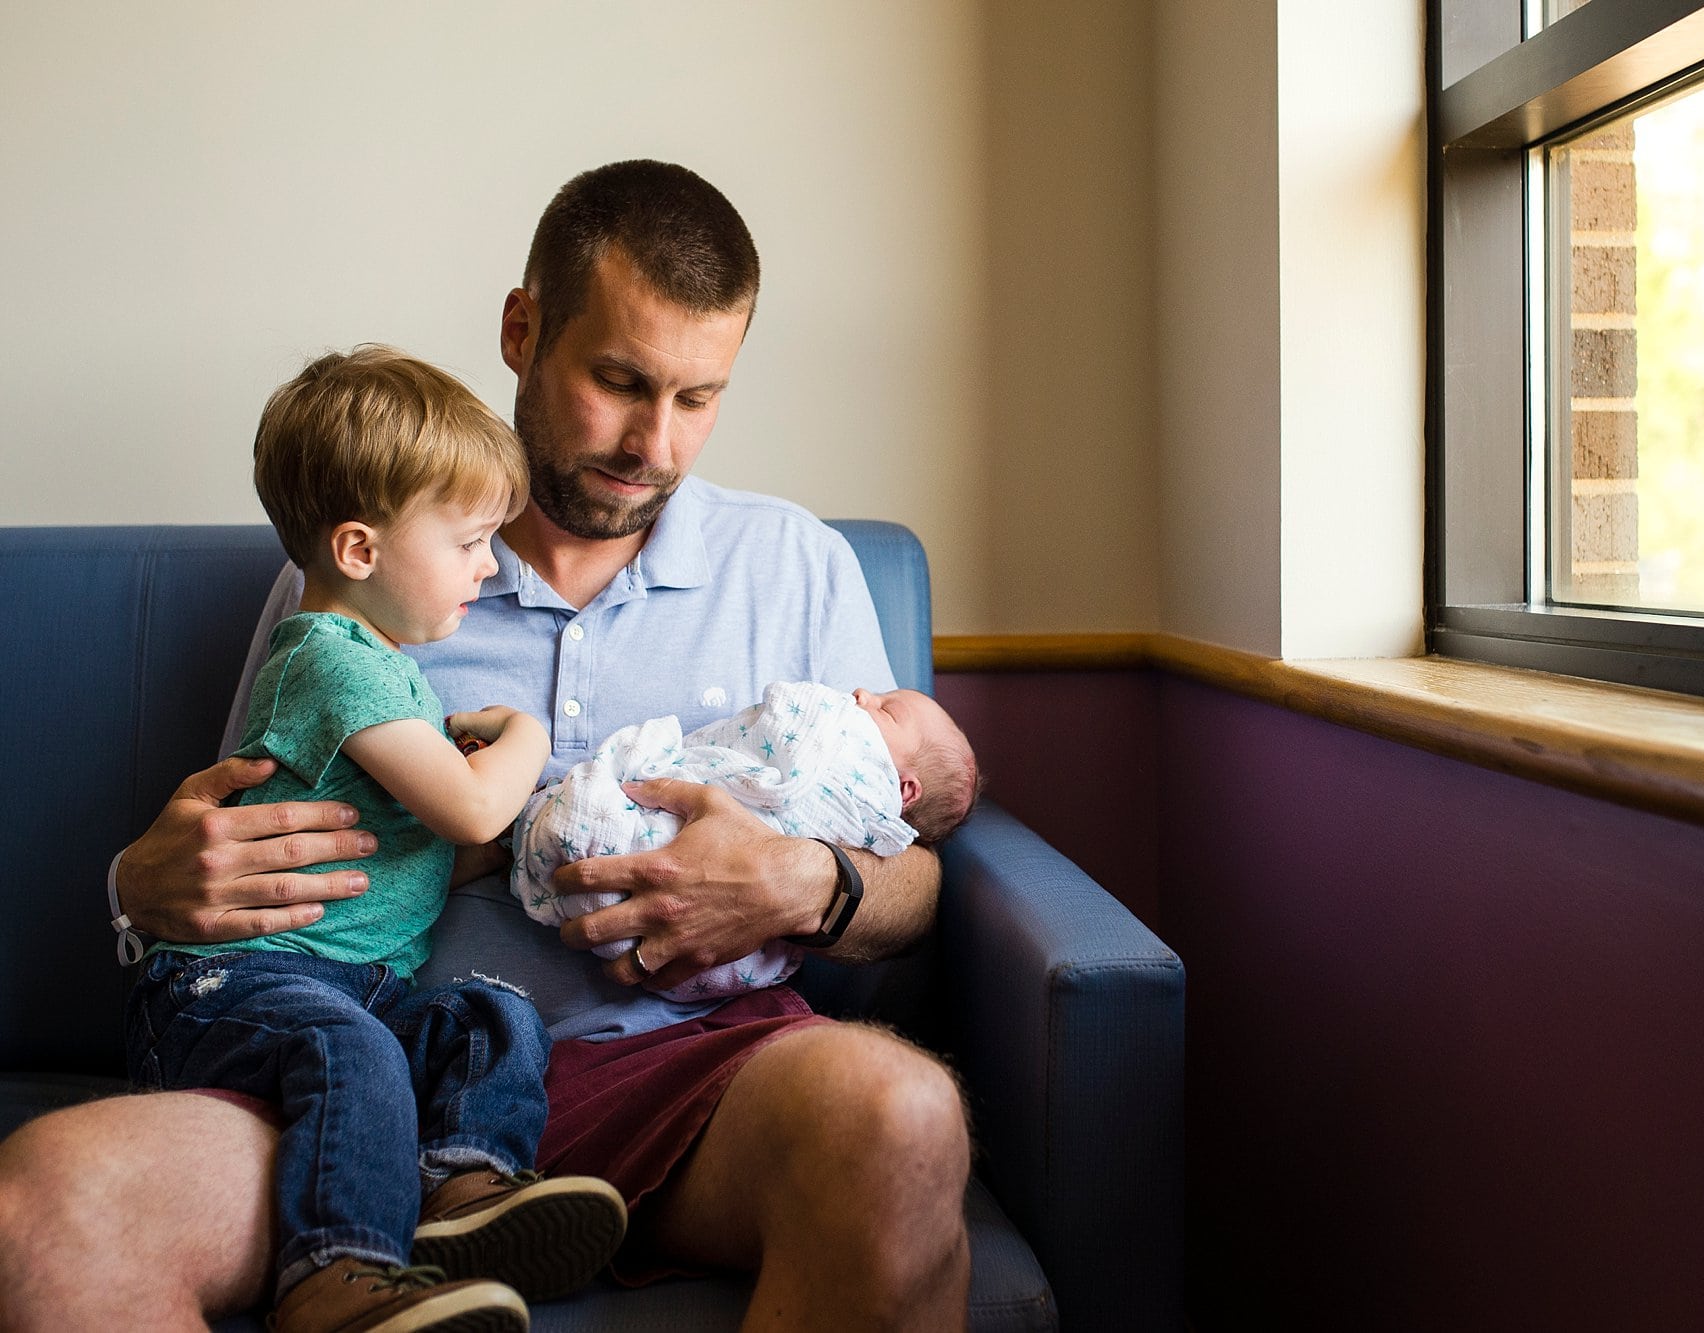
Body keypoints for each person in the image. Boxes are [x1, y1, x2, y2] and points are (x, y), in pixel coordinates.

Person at [0, 160, 971, 1332]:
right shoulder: (359, 582)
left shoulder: (799, 568)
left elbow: (913, 877)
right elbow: (247, 847)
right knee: (47, 1203)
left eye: (697, 397)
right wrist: (136, 887)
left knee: (902, 1116)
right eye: (618, 380)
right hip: (375, 1065)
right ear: (522, 330)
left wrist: (807, 881)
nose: (652, 444)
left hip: (691, 1066)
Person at [125, 346, 628, 1332]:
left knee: (488, 1016)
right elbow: (474, 813)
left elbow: (434, 847)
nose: (488, 565)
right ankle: (331, 1274)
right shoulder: (329, 663)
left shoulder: (386, 672)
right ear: (358, 551)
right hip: (232, 987)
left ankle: (461, 1191)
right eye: (471, 540)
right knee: (348, 1048)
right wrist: (522, 733)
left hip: (347, 980)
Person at [513, 680, 980, 1001]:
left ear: (904, 791)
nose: (861, 694)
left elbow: (914, 885)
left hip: (713, 1022)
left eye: (887, 708)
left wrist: (801, 883)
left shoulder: (861, 768)